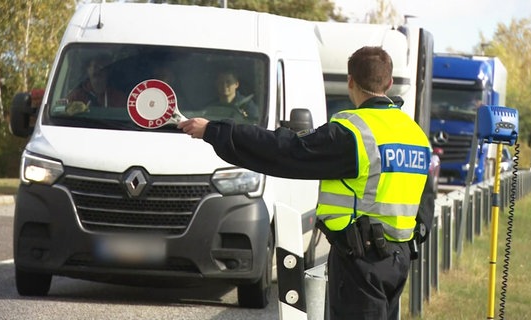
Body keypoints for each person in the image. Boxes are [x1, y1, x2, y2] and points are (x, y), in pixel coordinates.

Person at [178, 46, 431, 319]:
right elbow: (424, 200)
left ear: (350, 81)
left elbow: (285, 150)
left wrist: (215, 131)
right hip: (398, 259)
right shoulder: (414, 133)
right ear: (389, 83)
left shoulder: (354, 133)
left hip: (362, 261)